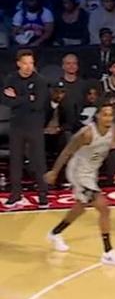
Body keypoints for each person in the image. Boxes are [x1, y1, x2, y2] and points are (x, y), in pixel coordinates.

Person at [44, 101, 115, 266]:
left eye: (111, 115)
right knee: (104, 208)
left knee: (80, 207)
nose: (108, 118)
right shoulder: (86, 133)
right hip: (78, 173)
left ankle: (55, 233)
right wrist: (54, 172)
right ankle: (108, 252)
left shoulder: (114, 129)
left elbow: (114, 150)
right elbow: (66, 152)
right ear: (97, 116)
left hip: (91, 172)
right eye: (105, 114)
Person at [2, 49, 49, 209]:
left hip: (34, 125)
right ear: (18, 64)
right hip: (17, 125)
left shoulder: (40, 80)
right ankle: (16, 194)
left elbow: (38, 104)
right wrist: (28, 97)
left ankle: (43, 195)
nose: (29, 67)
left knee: (39, 161)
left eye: (31, 63)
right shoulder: (11, 78)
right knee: (15, 161)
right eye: (25, 63)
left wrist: (17, 97)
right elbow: (6, 101)